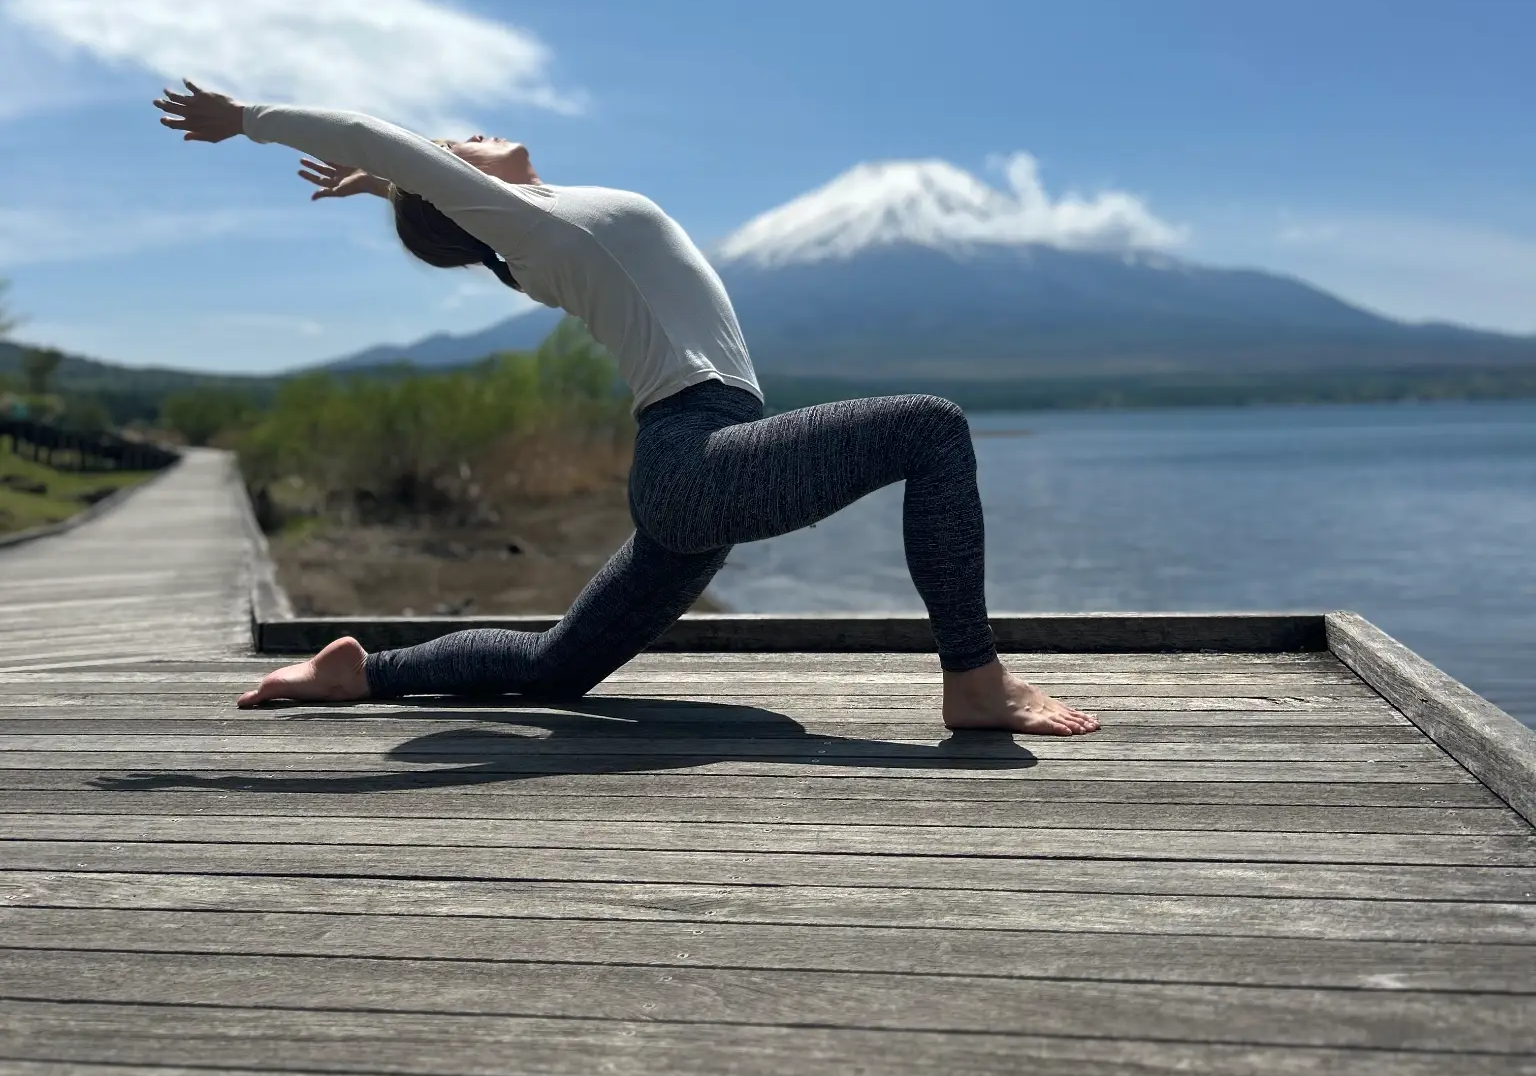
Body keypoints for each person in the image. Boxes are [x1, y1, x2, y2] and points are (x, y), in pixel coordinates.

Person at [156, 80, 1100, 736]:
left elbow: (412, 173)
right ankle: (974, 680)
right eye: (456, 148)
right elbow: (374, 133)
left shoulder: (537, 227)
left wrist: (390, 185)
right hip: (696, 456)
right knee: (931, 429)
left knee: (557, 669)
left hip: (690, 470)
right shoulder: (524, 224)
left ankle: (358, 673)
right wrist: (248, 118)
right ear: (465, 187)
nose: (472, 132)